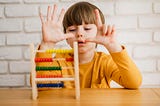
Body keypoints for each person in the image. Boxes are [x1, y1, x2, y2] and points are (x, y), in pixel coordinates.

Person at [37, 1, 142, 89]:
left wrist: (113, 46)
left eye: (87, 28)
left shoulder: (104, 62)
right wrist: (46, 45)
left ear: (99, 33)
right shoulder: (60, 62)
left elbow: (134, 83)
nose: (79, 33)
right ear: (66, 39)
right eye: (72, 30)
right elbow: (40, 85)